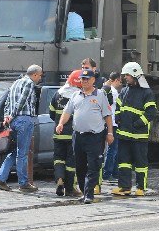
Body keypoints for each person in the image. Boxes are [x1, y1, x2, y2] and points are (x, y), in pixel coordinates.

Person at [56, 69, 114, 203]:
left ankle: (89, 194)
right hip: (78, 136)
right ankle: (84, 191)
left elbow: (107, 115)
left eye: (87, 79)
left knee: (94, 165)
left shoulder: (100, 95)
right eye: (82, 79)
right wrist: (60, 124)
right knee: (80, 166)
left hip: (95, 136)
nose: (84, 81)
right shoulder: (75, 95)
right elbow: (67, 112)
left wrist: (110, 133)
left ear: (93, 80)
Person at [0, 64, 43, 192]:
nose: (40, 78)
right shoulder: (29, 83)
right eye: (40, 76)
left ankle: (0, 179)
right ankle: (23, 183)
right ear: (35, 74)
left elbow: (7, 102)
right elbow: (21, 101)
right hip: (24, 119)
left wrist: (7, 116)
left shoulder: (15, 83)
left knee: (15, 151)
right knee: (22, 153)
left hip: (14, 121)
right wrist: (12, 114)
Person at [112, 62, 158, 197]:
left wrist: (137, 124)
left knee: (140, 163)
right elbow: (118, 107)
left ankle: (140, 188)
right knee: (123, 163)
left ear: (135, 75)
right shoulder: (125, 90)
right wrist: (118, 117)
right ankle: (124, 187)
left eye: (128, 75)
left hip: (139, 135)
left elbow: (151, 113)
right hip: (124, 134)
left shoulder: (147, 92)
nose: (125, 77)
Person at [50, 69, 83, 197]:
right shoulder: (78, 96)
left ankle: (59, 179)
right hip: (73, 134)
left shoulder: (58, 94)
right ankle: (70, 188)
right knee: (71, 162)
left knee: (58, 158)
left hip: (58, 132)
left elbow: (52, 113)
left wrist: (59, 123)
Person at [101, 71, 122, 181]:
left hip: (109, 123)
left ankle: (114, 172)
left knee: (113, 149)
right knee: (112, 149)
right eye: (120, 81)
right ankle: (108, 173)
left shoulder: (107, 90)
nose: (120, 84)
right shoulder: (113, 92)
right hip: (112, 123)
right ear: (117, 80)